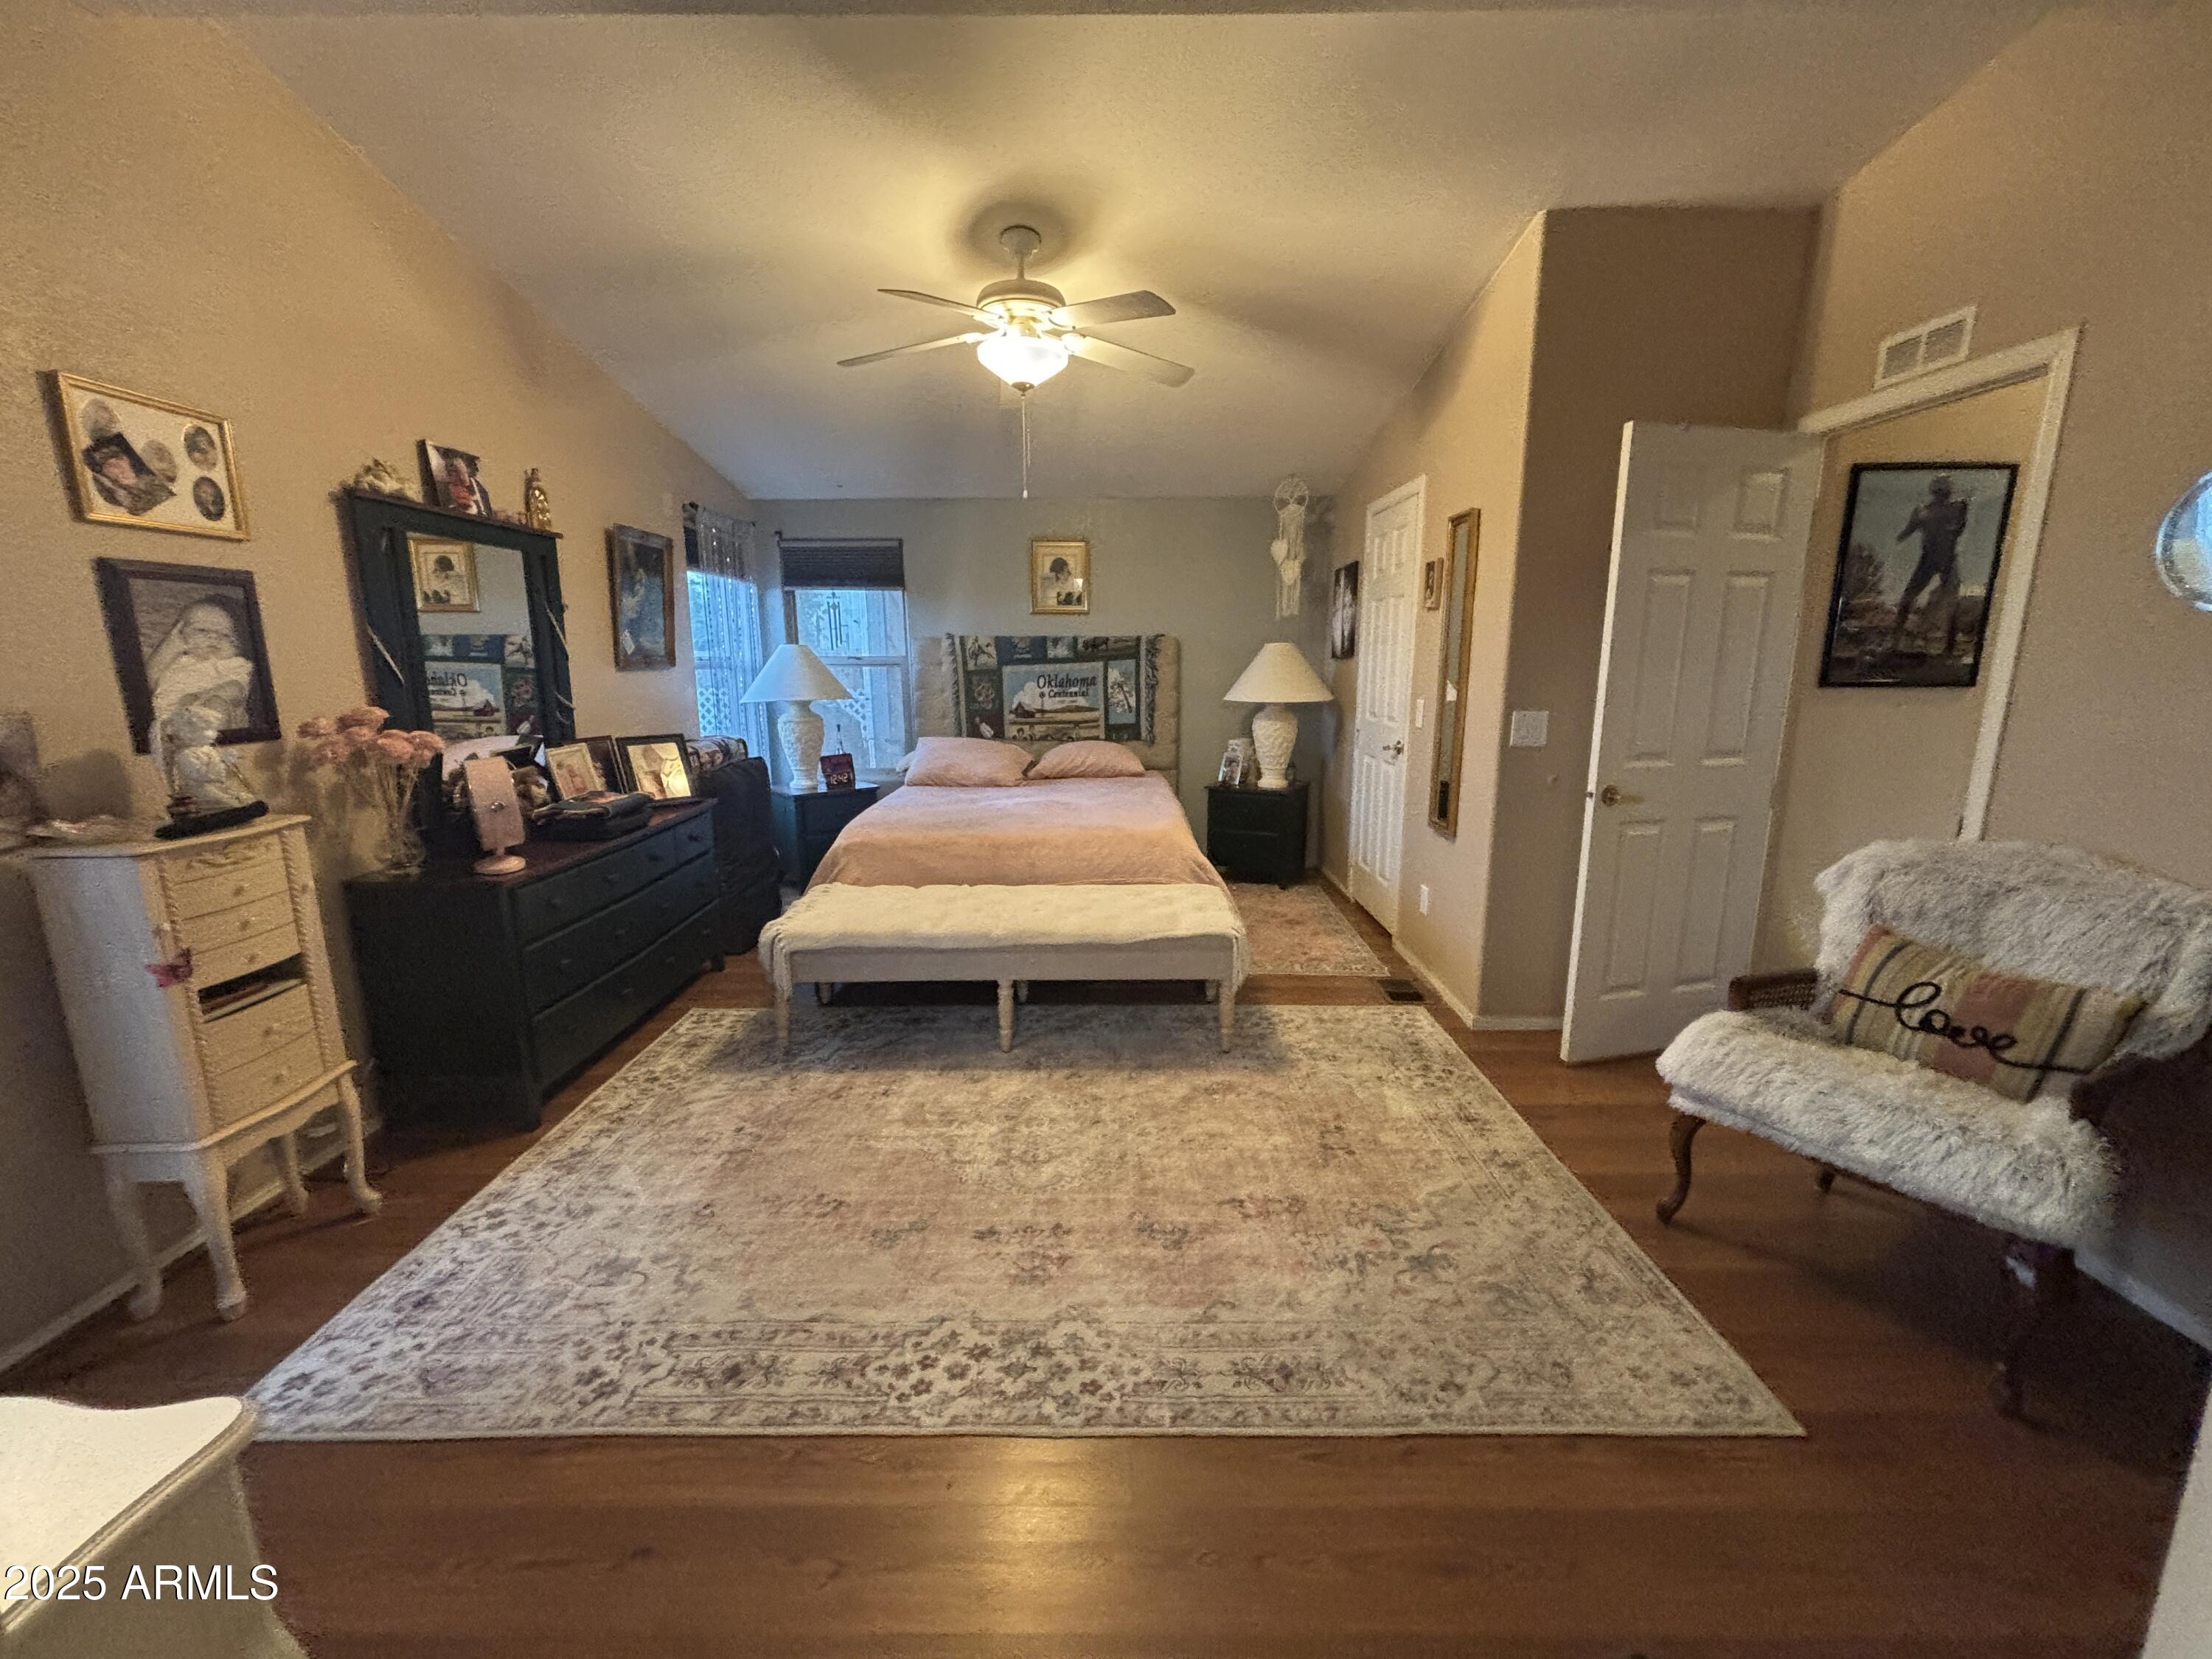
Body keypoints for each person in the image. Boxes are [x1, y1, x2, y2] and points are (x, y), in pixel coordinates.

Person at [145, 597, 254, 736]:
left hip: (212, 720)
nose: (213, 637)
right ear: (179, 634)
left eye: (226, 635)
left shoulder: (234, 663)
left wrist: (201, 697)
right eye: (201, 630)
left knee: (218, 704)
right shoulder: (176, 660)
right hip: (169, 720)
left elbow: (238, 689)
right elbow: (147, 683)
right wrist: (168, 648)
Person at [1889, 473, 1971, 654]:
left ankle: (1948, 645)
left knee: (1951, 601)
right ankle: (1895, 642)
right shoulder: (1926, 511)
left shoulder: (1951, 509)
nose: (1944, 494)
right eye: (1942, 491)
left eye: (1945, 491)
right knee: (1909, 598)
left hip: (1946, 559)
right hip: (1931, 559)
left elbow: (1957, 528)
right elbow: (1908, 531)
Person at [82, 432, 173, 515]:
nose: (118, 464)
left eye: (120, 459)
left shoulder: (153, 483)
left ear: (127, 460)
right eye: (109, 464)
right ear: (103, 472)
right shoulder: (111, 494)